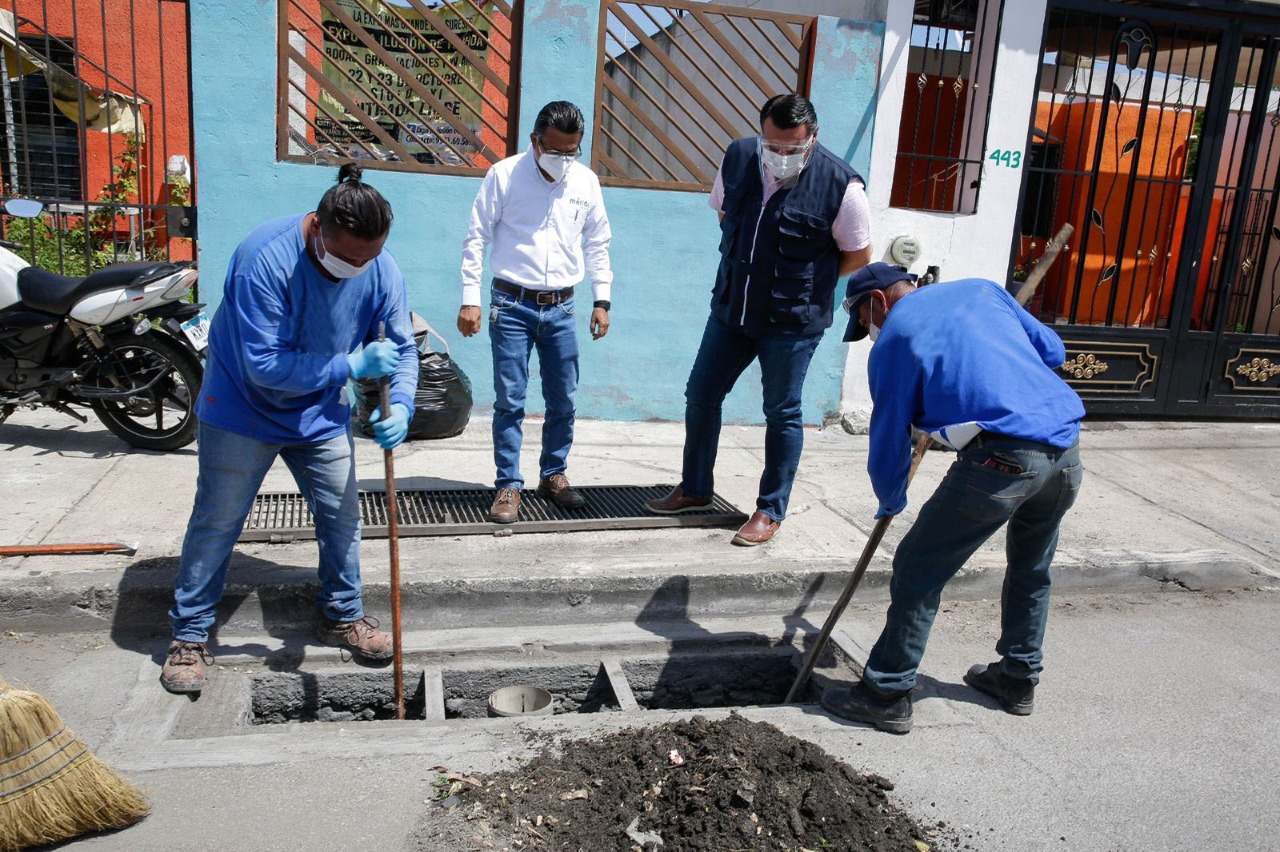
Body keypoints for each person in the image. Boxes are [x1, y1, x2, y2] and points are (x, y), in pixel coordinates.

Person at [160, 165, 418, 694]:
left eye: (369, 258)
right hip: (241, 408)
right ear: (318, 229)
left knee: (342, 516)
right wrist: (350, 366)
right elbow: (265, 365)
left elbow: (402, 347)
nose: (359, 269)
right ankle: (189, 635)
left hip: (318, 413)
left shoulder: (379, 266)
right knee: (218, 521)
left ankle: (343, 614)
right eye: (349, 259)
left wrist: (404, 405)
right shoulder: (264, 260)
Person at [819, 262, 1086, 734]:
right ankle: (1018, 678)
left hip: (1001, 459)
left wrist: (890, 497)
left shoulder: (896, 338)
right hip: (1065, 450)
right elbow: (1054, 351)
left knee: (919, 565)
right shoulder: (985, 291)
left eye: (863, 320)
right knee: (1031, 565)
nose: (869, 330)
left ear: (878, 302)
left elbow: (888, 436)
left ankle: (886, 691)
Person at [645, 94, 872, 546]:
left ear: (813, 139)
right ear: (761, 132)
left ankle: (770, 509)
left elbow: (858, 255)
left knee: (782, 411)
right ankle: (695, 489)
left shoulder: (841, 185)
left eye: (792, 148)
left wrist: (807, 281)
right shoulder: (737, 157)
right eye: (773, 145)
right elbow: (727, 217)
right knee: (701, 394)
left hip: (791, 322)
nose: (780, 156)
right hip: (732, 310)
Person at [457, 100, 613, 524]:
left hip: (561, 307)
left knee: (564, 397)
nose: (564, 159)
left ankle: (554, 474)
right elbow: (476, 238)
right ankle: (508, 482)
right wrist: (470, 297)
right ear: (535, 141)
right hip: (510, 304)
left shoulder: (585, 182)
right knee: (510, 399)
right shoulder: (504, 176)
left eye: (572, 150)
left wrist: (602, 299)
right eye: (556, 149)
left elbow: (598, 241)